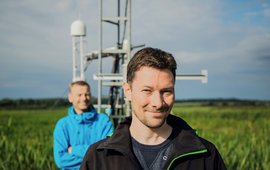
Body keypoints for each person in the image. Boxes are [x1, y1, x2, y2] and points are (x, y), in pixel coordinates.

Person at [80, 47, 226, 170]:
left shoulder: (205, 156)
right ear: (128, 91)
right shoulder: (98, 159)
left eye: (166, 91)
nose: (158, 103)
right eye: (147, 90)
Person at [53, 80, 114, 170]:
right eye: (79, 95)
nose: (84, 98)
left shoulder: (104, 121)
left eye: (87, 94)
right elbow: (61, 161)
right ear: (70, 98)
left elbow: (107, 153)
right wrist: (94, 158)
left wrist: (74, 150)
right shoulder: (62, 125)